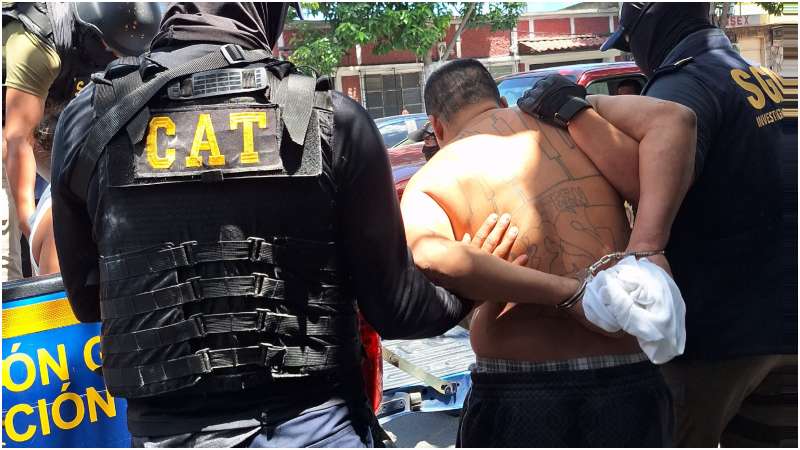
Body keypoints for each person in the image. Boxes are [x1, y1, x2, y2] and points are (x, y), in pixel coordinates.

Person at [50, 3, 483, 447]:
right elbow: (398, 309)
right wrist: (475, 285)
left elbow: (88, 301)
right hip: (318, 431)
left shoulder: (89, 120)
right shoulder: (330, 118)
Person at [521, 2, 797, 447]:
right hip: (785, 323)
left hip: (719, 337)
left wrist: (571, 112)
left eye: (630, 42)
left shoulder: (683, 82)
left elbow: (653, 186)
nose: (635, 55)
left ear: (649, 26)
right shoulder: (760, 78)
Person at [400, 59, 696, 447]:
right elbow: (677, 120)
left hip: (518, 387)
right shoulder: (572, 122)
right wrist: (646, 243)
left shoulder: (433, 178)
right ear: (498, 99)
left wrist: (565, 292)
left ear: (436, 127)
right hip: (630, 374)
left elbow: (427, 254)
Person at [2, 2, 162, 280]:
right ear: (95, 33)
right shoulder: (38, 41)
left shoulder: (136, 30)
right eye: (113, 50)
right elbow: (17, 139)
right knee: (9, 255)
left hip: (56, 117)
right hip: (14, 125)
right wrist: (32, 224)